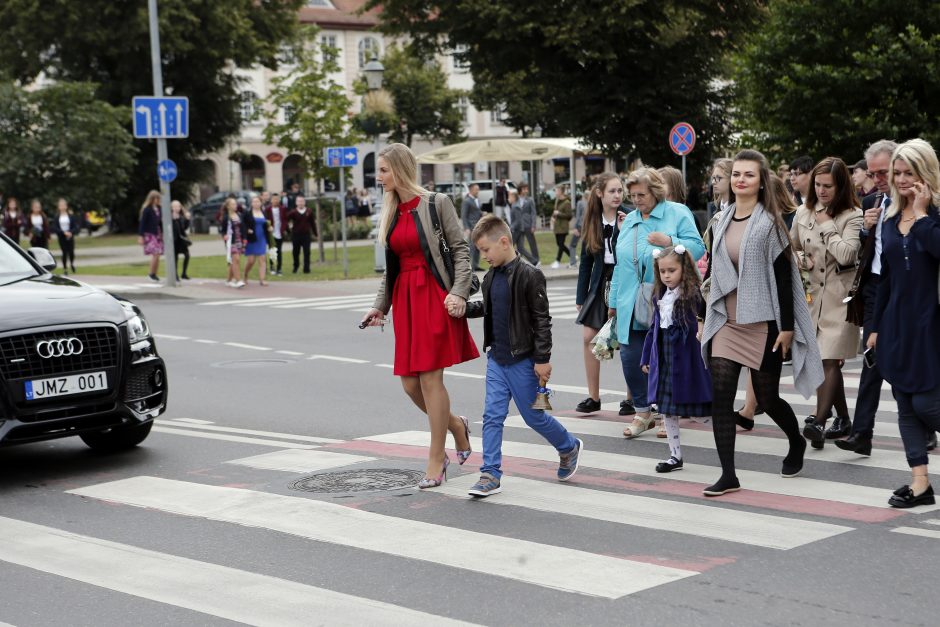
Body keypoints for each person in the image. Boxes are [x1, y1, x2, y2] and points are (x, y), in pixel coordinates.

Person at [700, 149, 824, 497]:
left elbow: (785, 279)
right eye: (736, 174)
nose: (740, 179)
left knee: (767, 400)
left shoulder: (770, 223)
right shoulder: (720, 220)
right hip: (726, 319)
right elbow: (712, 272)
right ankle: (728, 475)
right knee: (720, 399)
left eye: (748, 175)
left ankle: (795, 442)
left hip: (763, 322)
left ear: (760, 181)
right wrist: (701, 315)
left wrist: (786, 327)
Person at [361, 143, 478, 489]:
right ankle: (457, 426)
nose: (378, 177)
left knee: (430, 380)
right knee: (410, 384)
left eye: (383, 170)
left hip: (434, 297)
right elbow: (391, 270)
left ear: (399, 169)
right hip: (406, 300)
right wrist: (379, 306)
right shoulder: (392, 211)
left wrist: (458, 292)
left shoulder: (435, 203)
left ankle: (436, 458)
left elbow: (460, 250)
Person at [460, 215, 583, 496]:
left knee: (534, 417)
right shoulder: (490, 277)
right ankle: (490, 473)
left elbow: (542, 321)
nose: (483, 256)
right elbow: (490, 308)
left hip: (523, 360)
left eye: (485, 250)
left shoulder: (529, 275)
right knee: (492, 416)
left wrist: (542, 359)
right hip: (497, 360)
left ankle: (568, 446)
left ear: (504, 242)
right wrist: (465, 309)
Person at [866, 138, 940, 507]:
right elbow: (887, 277)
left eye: (909, 172)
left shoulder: (935, 214)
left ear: (926, 174)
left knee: (929, 404)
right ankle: (920, 483)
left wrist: (924, 214)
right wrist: (875, 327)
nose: (902, 179)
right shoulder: (891, 218)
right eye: (898, 172)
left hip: (933, 322)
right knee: (906, 404)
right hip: (899, 322)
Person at [610, 168, 705, 438]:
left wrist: (670, 242)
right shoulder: (630, 221)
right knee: (630, 357)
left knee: (666, 356)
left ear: (656, 191)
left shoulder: (676, 212)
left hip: (668, 298)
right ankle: (643, 411)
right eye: (633, 195)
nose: (636, 200)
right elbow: (620, 263)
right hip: (631, 299)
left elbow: (697, 247)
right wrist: (613, 301)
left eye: (641, 194)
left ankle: (667, 412)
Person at [837, 140, 905, 456]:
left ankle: (921, 423)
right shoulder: (871, 201)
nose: (878, 178)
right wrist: (866, 230)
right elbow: (866, 250)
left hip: (907, 290)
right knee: (871, 358)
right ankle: (861, 433)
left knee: (910, 357)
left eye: (883, 172)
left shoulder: (915, 202)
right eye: (874, 173)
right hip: (876, 288)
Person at [790, 157, 863, 449]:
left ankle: (819, 421)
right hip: (811, 298)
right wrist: (800, 259)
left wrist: (828, 226)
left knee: (829, 359)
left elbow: (847, 255)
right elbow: (792, 248)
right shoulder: (802, 212)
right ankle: (843, 418)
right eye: (818, 185)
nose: (821, 191)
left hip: (839, 298)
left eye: (828, 186)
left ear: (841, 185)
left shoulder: (853, 215)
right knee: (822, 358)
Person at [639, 245, 711, 472]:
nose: (667, 275)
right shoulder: (660, 295)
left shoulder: (694, 295)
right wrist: (646, 356)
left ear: (684, 269)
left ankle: (724, 431)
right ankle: (675, 456)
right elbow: (654, 328)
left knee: (698, 412)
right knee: (667, 410)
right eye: (662, 271)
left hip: (688, 360)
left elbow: (703, 326)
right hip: (665, 359)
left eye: (672, 270)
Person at [574, 173, 625, 415]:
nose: (617, 195)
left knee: (626, 340)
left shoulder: (628, 217)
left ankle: (632, 398)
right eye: (612, 191)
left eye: (619, 191)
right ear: (600, 193)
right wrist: (580, 297)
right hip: (600, 281)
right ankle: (593, 397)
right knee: (588, 337)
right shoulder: (592, 220)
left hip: (623, 280)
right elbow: (585, 262)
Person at [243, 195, 270, 286]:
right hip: (252, 238)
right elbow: (243, 224)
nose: (256, 203)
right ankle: (245, 274)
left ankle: (262, 279)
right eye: (254, 202)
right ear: (251, 203)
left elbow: (267, 224)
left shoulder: (264, 212)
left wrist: (269, 228)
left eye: (257, 202)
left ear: (261, 203)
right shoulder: (248, 213)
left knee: (262, 259)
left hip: (262, 238)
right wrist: (247, 230)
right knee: (251, 260)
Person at [219, 197, 246, 288]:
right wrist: (224, 236)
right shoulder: (226, 217)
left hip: (239, 240)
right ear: (228, 206)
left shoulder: (239, 214)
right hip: (231, 241)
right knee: (236, 260)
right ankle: (238, 280)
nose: (235, 205)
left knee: (233, 262)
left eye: (236, 204)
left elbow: (243, 228)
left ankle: (228, 280)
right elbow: (222, 230)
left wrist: (245, 239)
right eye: (233, 204)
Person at [510, 183, 539, 266]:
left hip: (528, 224)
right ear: (520, 190)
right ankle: (527, 261)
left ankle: (536, 260)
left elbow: (533, 213)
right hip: (519, 226)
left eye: (527, 189)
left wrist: (533, 225)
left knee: (532, 243)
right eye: (524, 189)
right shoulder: (516, 199)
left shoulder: (530, 200)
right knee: (520, 246)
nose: (526, 190)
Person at [138, 191, 163, 282]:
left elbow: (160, 223)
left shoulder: (159, 209)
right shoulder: (147, 209)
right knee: (155, 253)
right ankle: (151, 274)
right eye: (156, 198)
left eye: (158, 198)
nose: (158, 200)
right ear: (152, 199)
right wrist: (141, 236)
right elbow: (142, 223)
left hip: (158, 234)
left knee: (158, 254)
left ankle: (154, 273)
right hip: (149, 234)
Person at [287, 195, 316, 274]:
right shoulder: (293, 212)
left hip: (306, 235)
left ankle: (306, 269)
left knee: (307, 252)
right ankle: (296, 266)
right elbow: (286, 220)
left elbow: (312, 223)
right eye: (299, 201)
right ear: (296, 203)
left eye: (302, 201)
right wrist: (289, 229)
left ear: (304, 202)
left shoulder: (309, 211)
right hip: (296, 235)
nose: (300, 203)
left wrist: (315, 233)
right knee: (295, 252)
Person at [461, 183, 484, 271]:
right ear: (471, 190)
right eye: (476, 189)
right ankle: (470, 267)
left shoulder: (476, 199)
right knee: (472, 247)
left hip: (478, 227)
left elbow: (476, 212)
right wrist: (466, 228)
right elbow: (464, 216)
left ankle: (476, 265)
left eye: (478, 189)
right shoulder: (467, 201)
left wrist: (482, 213)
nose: (478, 191)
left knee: (478, 246)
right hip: (471, 227)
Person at [53, 198, 79, 275]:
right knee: (64, 252)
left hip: (70, 236)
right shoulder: (57, 217)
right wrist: (63, 232)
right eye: (60, 205)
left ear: (66, 206)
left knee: (71, 252)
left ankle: (72, 264)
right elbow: (55, 228)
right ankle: (65, 268)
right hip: (62, 237)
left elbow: (75, 227)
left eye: (63, 205)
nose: (62, 207)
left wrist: (70, 232)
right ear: (58, 207)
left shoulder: (70, 216)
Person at [265, 192, 288, 275]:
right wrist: (268, 227)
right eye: (274, 199)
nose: (276, 201)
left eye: (277, 199)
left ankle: (279, 268)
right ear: (271, 200)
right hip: (271, 233)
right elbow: (265, 220)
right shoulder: (268, 209)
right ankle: (272, 267)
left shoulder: (283, 209)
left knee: (279, 251)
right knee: (272, 251)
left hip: (279, 233)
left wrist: (284, 229)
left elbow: (285, 220)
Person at [550, 185, 572, 268]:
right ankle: (572, 256)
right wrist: (553, 217)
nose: (555, 192)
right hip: (557, 227)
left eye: (556, 191)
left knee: (561, 244)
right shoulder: (557, 201)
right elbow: (555, 212)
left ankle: (557, 261)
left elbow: (569, 215)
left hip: (563, 227)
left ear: (561, 191)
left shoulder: (567, 202)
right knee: (559, 244)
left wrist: (559, 214)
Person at [170, 200, 192, 280]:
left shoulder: (181, 217)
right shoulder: (169, 217)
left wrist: (187, 219)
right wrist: (173, 219)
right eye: (174, 206)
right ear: (171, 208)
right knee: (175, 258)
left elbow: (184, 228)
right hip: (174, 240)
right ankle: (175, 274)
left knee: (187, 255)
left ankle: (184, 273)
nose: (176, 208)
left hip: (182, 240)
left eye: (178, 206)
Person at [568, 191, 585, 268]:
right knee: (585, 244)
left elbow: (578, 216)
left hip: (579, 226)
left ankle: (573, 262)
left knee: (572, 245)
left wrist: (575, 228)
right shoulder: (589, 203)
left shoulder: (580, 203)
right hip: (586, 226)